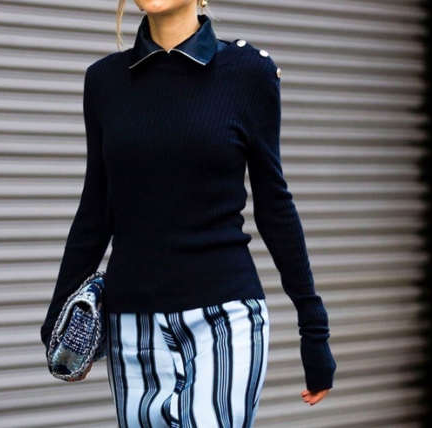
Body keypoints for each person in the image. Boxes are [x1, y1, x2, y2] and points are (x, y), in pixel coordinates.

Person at [41, 1, 337, 426]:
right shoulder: (104, 81)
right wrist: (58, 319)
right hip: (132, 329)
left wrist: (314, 329)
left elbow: (274, 204)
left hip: (223, 321)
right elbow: (95, 209)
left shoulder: (248, 72)